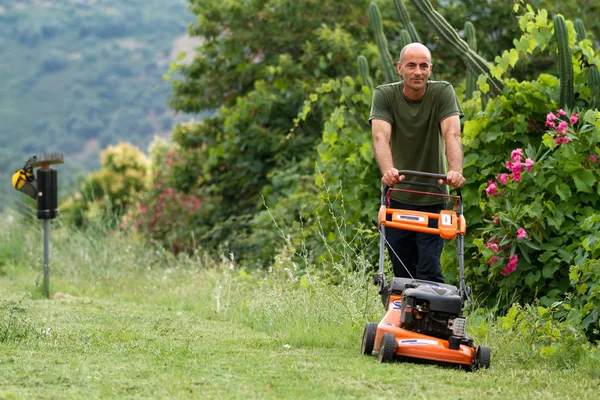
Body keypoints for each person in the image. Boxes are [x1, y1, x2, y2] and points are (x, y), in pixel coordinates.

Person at [369, 43, 465, 283]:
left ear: (430, 69)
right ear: (400, 68)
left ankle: (433, 319)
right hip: (398, 197)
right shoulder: (384, 95)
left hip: (434, 198)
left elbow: (452, 134)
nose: (418, 72)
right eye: (411, 66)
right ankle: (403, 319)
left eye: (423, 66)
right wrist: (388, 170)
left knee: (429, 271)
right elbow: (381, 136)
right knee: (402, 274)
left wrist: (455, 171)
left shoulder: (442, 92)